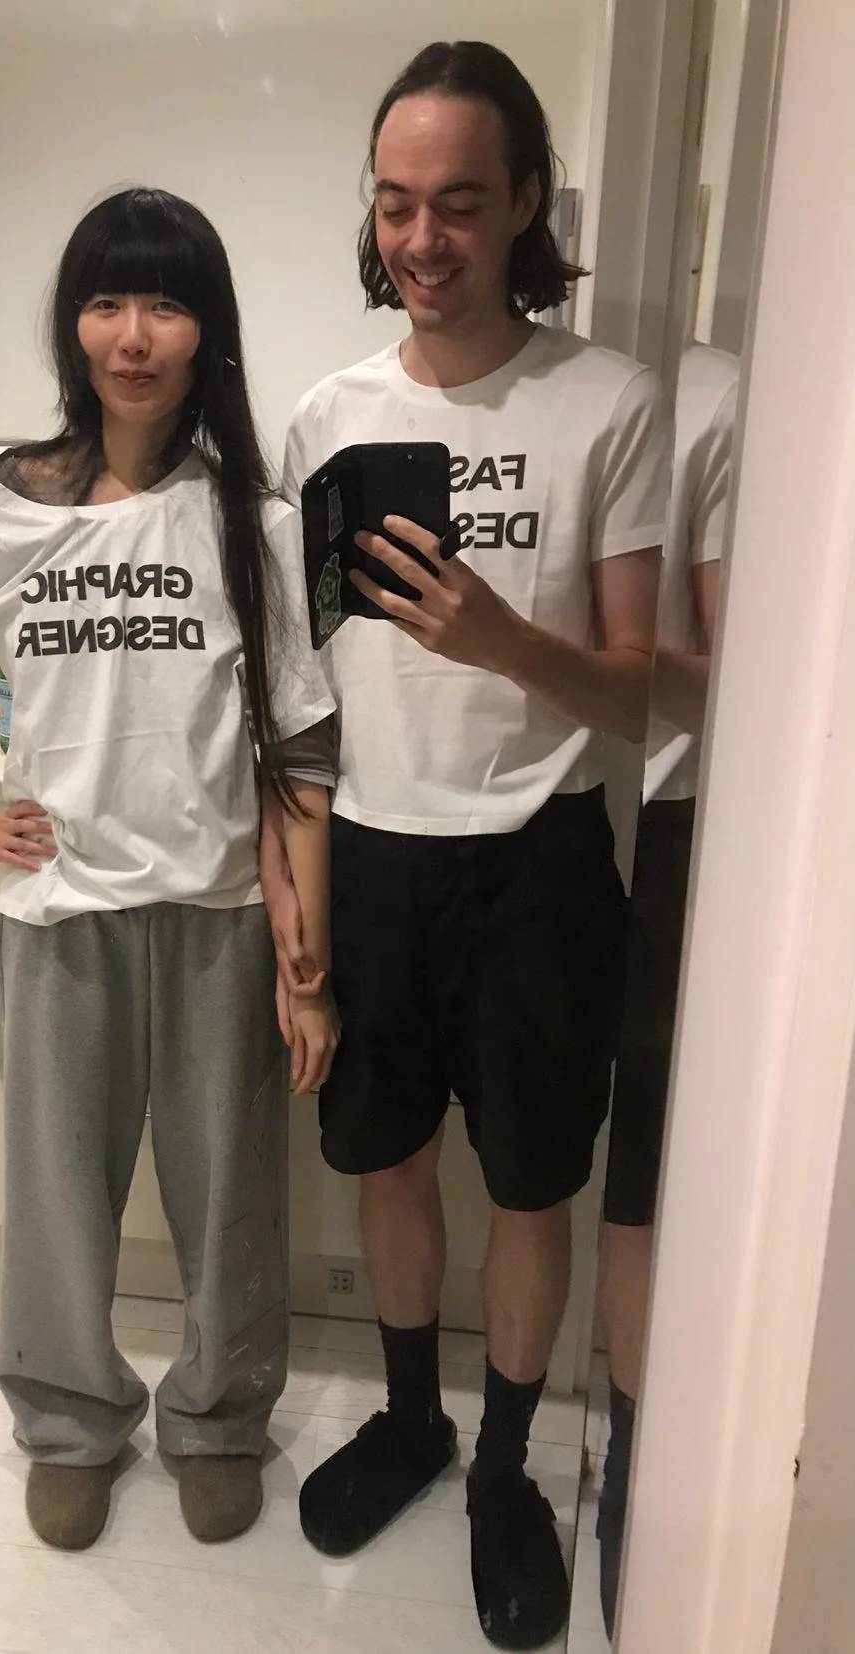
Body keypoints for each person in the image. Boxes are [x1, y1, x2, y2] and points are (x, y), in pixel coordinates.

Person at [0, 188, 338, 1553]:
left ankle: (217, 1419)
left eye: (166, 303)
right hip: (61, 922)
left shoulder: (253, 516)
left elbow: (300, 741)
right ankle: (67, 1423)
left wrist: (306, 950)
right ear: (73, 324)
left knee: (229, 1204)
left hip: (221, 917)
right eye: (107, 301)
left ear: (207, 330)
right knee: (55, 1207)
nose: (133, 334)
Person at [261, 42, 671, 1650]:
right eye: (395, 203)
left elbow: (643, 688)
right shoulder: (327, 418)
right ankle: (415, 1417)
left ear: (525, 206)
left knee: (531, 1178)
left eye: (458, 203)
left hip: (540, 854)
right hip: (373, 849)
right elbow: (304, 688)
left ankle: (506, 1465)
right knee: (386, 1156)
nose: (422, 239)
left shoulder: (606, 401)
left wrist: (506, 641)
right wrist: (295, 896)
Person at [596, 339, 739, 1640]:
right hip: (665, 812)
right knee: (637, 1163)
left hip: (700, 817)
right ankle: (633, 1467)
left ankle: (651, 1469)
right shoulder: (713, 397)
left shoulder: (721, 396)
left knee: (675, 1169)